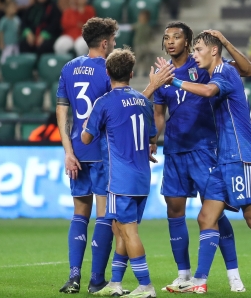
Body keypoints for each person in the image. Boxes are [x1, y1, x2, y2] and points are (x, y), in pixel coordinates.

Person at [165, 32, 251, 294]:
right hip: (223, 159)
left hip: (240, 156)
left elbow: (212, 90)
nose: (194, 54)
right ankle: (199, 281)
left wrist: (174, 81)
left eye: (198, 49)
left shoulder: (224, 73)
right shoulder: (220, 71)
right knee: (206, 217)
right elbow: (250, 68)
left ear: (213, 51)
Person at [149, 22, 251, 293]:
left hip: (205, 148)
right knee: (174, 210)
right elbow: (160, 114)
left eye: (176, 37)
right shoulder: (163, 75)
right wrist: (153, 140)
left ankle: (233, 274)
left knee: (214, 214)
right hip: (174, 149)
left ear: (188, 42)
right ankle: (183, 274)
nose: (170, 41)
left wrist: (226, 41)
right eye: (166, 37)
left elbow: (246, 70)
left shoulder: (205, 65)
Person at [81, 47, 158, 298]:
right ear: (131, 73)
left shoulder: (104, 102)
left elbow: (85, 138)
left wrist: (86, 124)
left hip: (120, 178)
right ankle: (115, 283)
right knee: (121, 228)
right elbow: (151, 137)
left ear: (107, 73)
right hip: (142, 178)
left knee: (128, 231)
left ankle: (145, 286)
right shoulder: (143, 101)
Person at [55, 17, 118, 295]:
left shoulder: (69, 68)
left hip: (77, 153)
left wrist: (68, 152)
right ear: (104, 43)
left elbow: (62, 111)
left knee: (80, 212)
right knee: (104, 215)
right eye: (113, 41)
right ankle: (97, 281)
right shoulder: (110, 70)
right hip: (103, 151)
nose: (114, 45)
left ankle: (73, 277)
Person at [132, 10, 153, 77]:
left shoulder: (148, 27)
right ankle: (135, 71)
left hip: (145, 45)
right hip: (138, 45)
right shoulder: (138, 25)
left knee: (146, 60)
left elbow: (150, 36)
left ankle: (145, 72)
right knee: (137, 59)